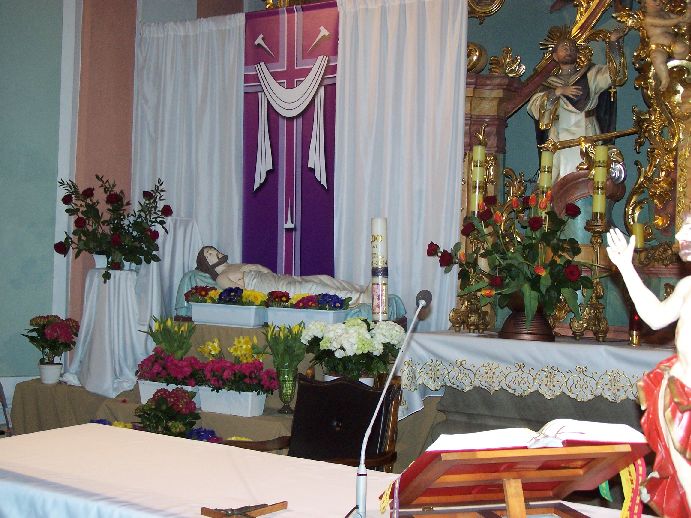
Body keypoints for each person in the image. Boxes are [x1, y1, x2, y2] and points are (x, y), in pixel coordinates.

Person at [606, 215, 691, 516]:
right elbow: (655, 318)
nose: (678, 234)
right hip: (679, 397)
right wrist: (626, 267)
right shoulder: (687, 286)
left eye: (689, 227)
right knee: (684, 483)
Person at [527, 27, 626, 181]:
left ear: (578, 53)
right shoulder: (548, 84)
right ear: (555, 56)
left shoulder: (591, 75)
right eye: (564, 47)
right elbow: (534, 107)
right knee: (555, 179)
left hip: (587, 131)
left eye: (572, 47)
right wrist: (558, 92)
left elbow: (614, 74)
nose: (569, 50)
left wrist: (613, 43)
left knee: (590, 178)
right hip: (559, 134)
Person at [640, 0, 691, 91]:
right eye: (654, 0)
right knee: (657, 58)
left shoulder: (667, 14)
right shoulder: (648, 18)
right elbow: (663, 23)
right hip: (657, 46)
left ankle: (685, 68)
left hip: (672, 43)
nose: (658, 2)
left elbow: (685, 21)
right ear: (645, 3)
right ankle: (665, 79)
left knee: (682, 47)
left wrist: (689, 6)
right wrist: (678, 20)